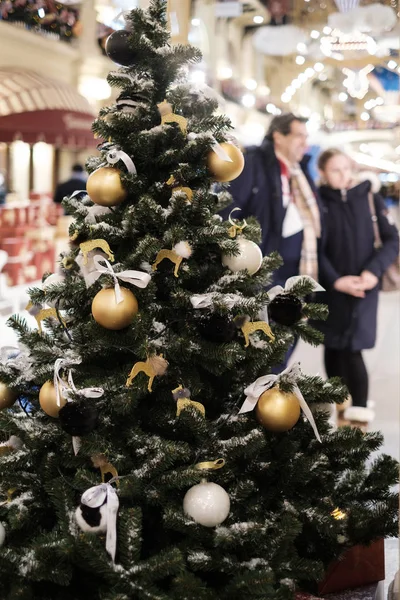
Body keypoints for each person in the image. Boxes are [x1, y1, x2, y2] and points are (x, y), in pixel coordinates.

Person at [317, 148, 399, 429]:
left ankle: (360, 414)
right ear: (323, 173)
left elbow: (391, 240)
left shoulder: (369, 197)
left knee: (353, 348)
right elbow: (313, 248)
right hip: (330, 289)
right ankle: (341, 405)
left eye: (346, 168)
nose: (343, 175)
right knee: (331, 345)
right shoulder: (317, 202)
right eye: (335, 170)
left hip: (365, 287)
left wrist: (372, 272)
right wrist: (335, 279)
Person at [221, 113, 323, 288]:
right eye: (299, 136)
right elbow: (229, 209)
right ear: (278, 136)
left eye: (306, 137)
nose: (305, 144)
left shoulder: (300, 170)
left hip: (298, 266)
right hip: (262, 269)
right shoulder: (252, 163)